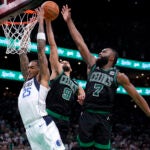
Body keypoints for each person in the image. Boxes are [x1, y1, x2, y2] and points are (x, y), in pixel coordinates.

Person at [61, 4, 150, 150]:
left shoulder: (119, 76)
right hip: (88, 114)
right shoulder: (92, 65)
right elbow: (79, 43)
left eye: (104, 51)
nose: (100, 52)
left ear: (112, 58)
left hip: (104, 117)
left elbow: (137, 97)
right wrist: (69, 21)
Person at [18, 7, 65, 150]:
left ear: (39, 68)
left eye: (32, 67)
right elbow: (22, 52)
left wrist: (40, 23)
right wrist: (26, 30)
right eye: (29, 67)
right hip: (29, 129)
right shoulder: (27, 80)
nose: (29, 69)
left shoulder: (42, 77)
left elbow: (40, 50)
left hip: (43, 124)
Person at [45, 18, 85, 145]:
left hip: (65, 121)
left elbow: (81, 91)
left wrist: (82, 94)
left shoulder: (75, 83)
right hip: (51, 115)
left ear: (71, 68)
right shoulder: (57, 73)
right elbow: (52, 45)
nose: (63, 62)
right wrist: (48, 23)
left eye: (65, 61)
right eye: (61, 61)